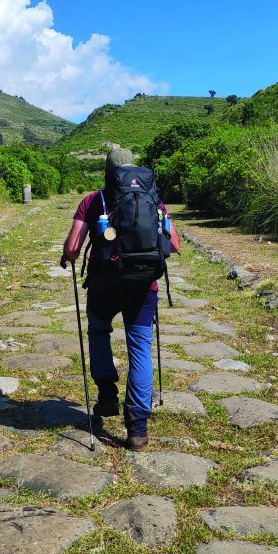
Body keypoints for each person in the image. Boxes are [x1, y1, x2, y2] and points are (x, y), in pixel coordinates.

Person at [62, 147, 180, 450]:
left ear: (107, 171)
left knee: (99, 333)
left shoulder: (93, 200)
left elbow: (74, 248)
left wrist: (67, 255)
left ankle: (106, 397)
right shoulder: (153, 198)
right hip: (143, 287)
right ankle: (137, 428)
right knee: (140, 349)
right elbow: (175, 244)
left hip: (103, 286)